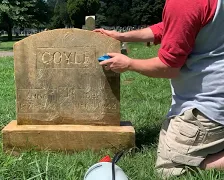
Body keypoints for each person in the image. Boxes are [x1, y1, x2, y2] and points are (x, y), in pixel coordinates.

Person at [94, 0, 224, 178]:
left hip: (209, 104)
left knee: (170, 170)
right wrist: (122, 36)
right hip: (215, 96)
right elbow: (173, 25)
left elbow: (168, 67)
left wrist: (129, 64)